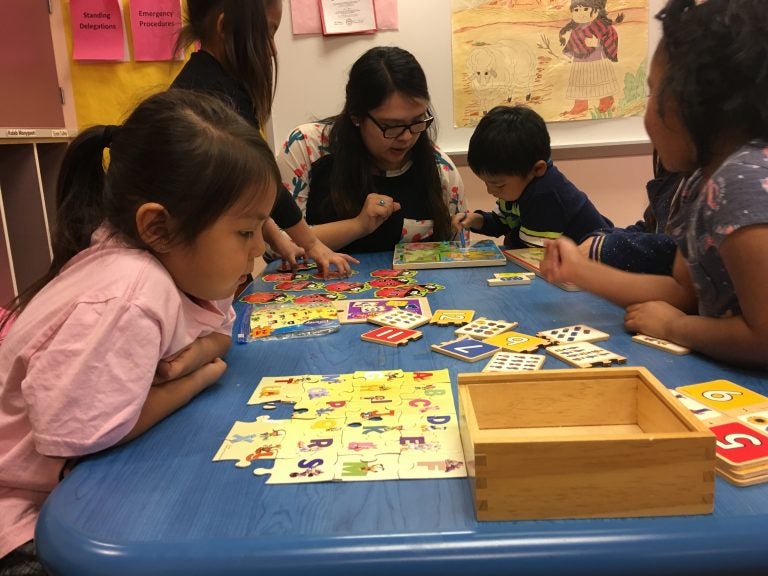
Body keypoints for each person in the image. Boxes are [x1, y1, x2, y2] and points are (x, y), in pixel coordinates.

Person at [0, 89, 278, 572]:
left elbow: (220, 329)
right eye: (244, 232)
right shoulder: (133, 287)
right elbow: (84, 436)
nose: (258, 250)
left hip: (67, 494)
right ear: (159, 226)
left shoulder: (175, 264)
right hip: (21, 522)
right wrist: (197, 377)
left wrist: (202, 353)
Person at [541, 0, 768, 368]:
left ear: (689, 105)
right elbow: (682, 292)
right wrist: (581, 271)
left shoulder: (741, 181)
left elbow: (764, 339)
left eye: (651, 92)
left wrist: (678, 328)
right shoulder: (700, 185)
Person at [172, 0, 356, 276]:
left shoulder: (212, 81)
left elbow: (248, 183)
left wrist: (281, 240)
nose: (272, 50)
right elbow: (263, 181)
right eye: (267, 33)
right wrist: (312, 244)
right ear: (224, 27)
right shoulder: (216, 99)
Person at [275, 46, 466, 252]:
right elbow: (275, 244)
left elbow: (457, 254)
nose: (407, 137)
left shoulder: (441, 171)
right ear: (356, 115)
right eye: (391, 125)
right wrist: (357, 226)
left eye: (418, 120)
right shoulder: (306, 148)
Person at [453, 105, 612, 248]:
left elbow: (528, 250)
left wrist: (509, 238)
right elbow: (502, 223)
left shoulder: (545, 194)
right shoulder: (516, 187)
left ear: (538, 169)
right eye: (486, 183)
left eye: (499, 185)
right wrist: (474, 220)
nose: (490, 191)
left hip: (599, 260)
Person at [578, 150, 685, 275]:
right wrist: (601, 238)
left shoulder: (703, 190)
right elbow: (651, 227)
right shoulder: (673, 177)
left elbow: (679, 250)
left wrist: (603, 247)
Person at [559, 0, 624, 116]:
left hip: (597, 60)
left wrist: (598, 42)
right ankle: (580, 105)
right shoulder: (576, 28)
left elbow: (611, 37)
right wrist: (570, 55)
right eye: (576, 10)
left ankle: (606, 102)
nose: (581, 13)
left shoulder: (601, 26)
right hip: (579, 62)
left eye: (585, 9)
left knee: (600, 81)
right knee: (579, 82)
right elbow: (573, 43)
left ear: (597, 10)